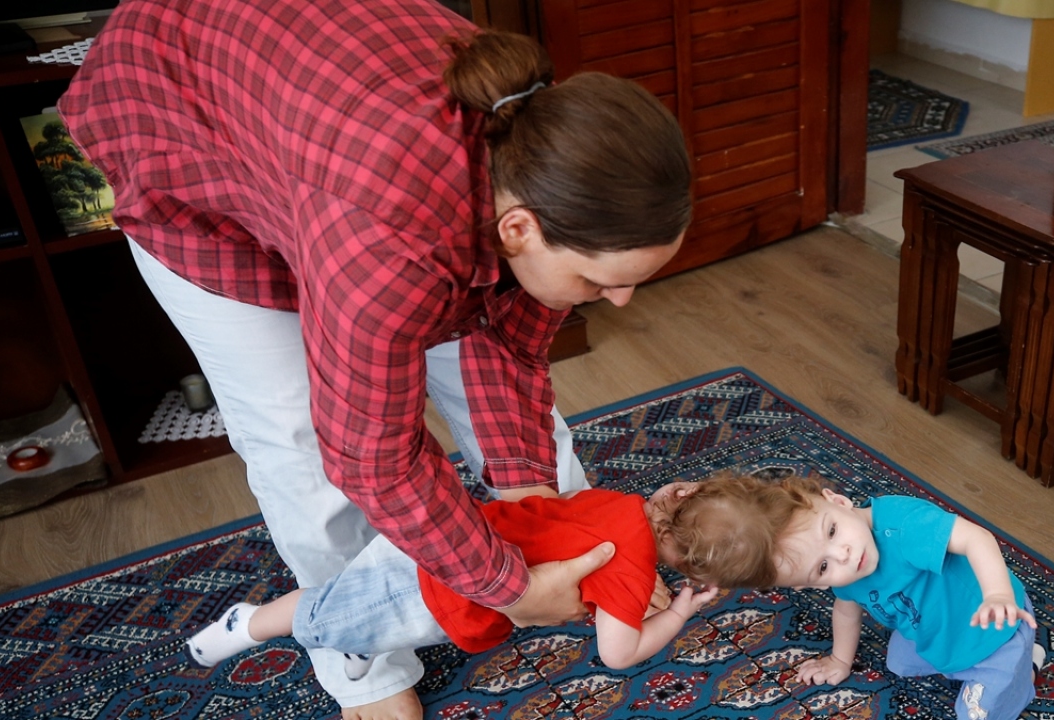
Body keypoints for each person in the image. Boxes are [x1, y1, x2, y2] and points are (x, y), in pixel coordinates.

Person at [58, 0, 692, 716]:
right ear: (518, 228)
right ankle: (362, 664)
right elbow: (371, 459)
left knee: (524, 446)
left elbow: (507, 347)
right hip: (187, 122)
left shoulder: (548, 169)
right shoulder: (388, 244)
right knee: (297, 438)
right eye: (599, 281)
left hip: (316, 128)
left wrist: (530, 496)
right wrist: (508, 587)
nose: (620, 301)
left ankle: (588, 556)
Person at [185, 471, 778, 674]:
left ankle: (359, 644)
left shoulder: (618, 503)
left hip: (451, 541)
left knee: (360, 615)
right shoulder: (632, 571)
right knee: (322, 614)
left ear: (679, 493)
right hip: (431, 591)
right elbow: (618, 654)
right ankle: (249, 623)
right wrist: (679, 609)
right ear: (687, 566)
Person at [750, 476, 1044, 720]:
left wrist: (997, 594)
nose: (843, 554)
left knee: (975, 714)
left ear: (838, 501)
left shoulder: (904, 525)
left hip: (997, 631)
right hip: (940, 632)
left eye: (832, 531)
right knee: (899, 663)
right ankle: (970, 668)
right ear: (810, 584)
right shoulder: (846, 576)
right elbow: (846, 610)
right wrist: (839, 660)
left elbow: (976, 538)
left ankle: (1026, 667)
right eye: (823, 567)